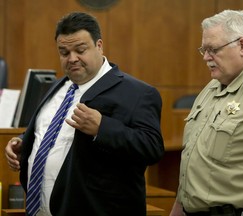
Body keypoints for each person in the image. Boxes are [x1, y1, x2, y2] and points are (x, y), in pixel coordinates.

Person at [5, 12, 164, 216]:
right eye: (64, 52)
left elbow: (152, 148)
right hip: (39, 210)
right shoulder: (56, 86)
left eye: (80, 50)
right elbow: (48, 131)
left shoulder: (138, 92)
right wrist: (22, 142)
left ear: (99, 46)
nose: (72, 59)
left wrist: (102, 128)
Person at [170, 9, 243, 216]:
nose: (206, 57)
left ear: (242, 46)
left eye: (213, 49)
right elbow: (193, 164)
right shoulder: (212, 87)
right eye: (203, 50)